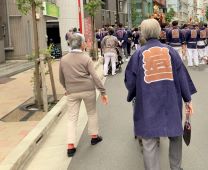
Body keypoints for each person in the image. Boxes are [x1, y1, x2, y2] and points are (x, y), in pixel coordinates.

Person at [125, 19, 197, 170]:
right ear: (160, 32)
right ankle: (176, 167)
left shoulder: (138, 54)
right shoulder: (170, 51)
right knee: (175, 135)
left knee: (149, 140)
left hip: (147, 101)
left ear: (143, 33)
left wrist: (132, 94)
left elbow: (130, 81)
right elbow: (182, 76)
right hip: (170, 99)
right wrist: (188, 100)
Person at [59, 34, 109, 157]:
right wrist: (103, 92)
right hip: (87, 89)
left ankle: (70, 146)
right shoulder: (86, 58)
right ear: (81, 44)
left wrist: (66, 88)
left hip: (72, 91)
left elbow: (61, 78)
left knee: (72, 118)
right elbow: (95, 77)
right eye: (84, 42)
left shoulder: (64, 59)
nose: (85, 43)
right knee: (91, 113)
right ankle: (94, 137)